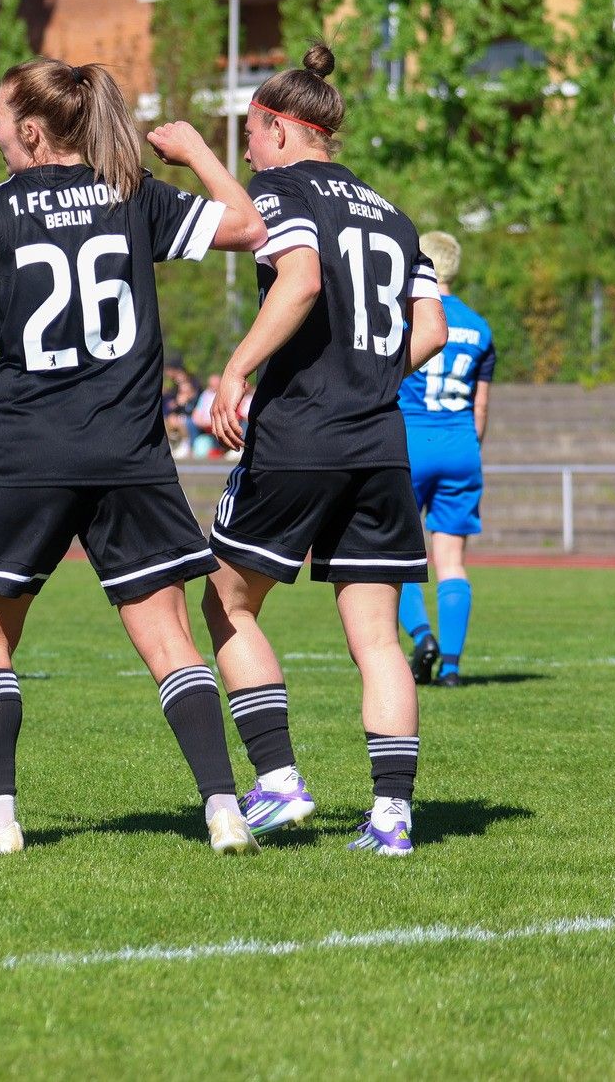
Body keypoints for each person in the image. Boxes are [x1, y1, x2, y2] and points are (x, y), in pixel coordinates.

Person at [0, 59, 267, 856]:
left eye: (0, 118)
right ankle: (223, 806)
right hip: (130, 452)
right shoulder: (130, 192)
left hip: (28, 453)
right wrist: (196, 153)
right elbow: (248, 224)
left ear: (33, 131)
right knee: (167, 640)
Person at [198, 43, 447, 857]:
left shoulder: (280, 189)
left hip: (302, 431)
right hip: (379, 441)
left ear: (277, 127)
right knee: (375, 634)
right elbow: (432, 331)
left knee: (226, 600)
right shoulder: (392, 212)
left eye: (247, 134)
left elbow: (300, 280)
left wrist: (238, 367)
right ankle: (392, 818)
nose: (245, 151)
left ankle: (276, 779)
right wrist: (370, 370)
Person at [396, 231, 495, 687]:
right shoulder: (480, 327)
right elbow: (480, 411)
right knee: (451, 561)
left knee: (394, 556)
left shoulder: (405, 316)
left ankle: (422, 637)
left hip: (411, 442)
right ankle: (452, 668)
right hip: (461, 446)